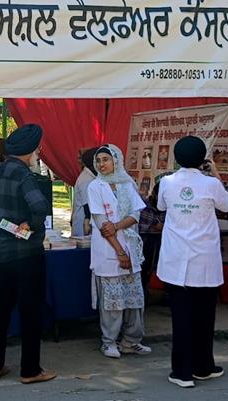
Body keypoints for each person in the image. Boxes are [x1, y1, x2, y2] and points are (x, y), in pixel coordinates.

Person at [0, 124, 56, 385]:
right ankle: (30, 370)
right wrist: (29, 226)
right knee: (30, 311)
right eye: (37, 150)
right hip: (28, 255)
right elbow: (40, 207)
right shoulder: (24, 175)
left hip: (3, 254)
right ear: (31, 151)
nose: (38, 154)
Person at [157, 136, 228, 389]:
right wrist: (215, 173)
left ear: (176, 158)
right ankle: (203, 366)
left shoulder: (166, 182)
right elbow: (226, 205)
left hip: (176, 259)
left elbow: (161, 206)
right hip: (204, 260)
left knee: (181, 317)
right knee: (204, 315)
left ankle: (182, 372)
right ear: (203, 159)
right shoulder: (211, 184)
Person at [87, 144, 151, 358]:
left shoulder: (126, 183)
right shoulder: (95, 186)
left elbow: (136, 214)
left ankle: (131, 341)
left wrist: (117, 226)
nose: (101, 164)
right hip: (109, 249)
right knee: (112, 301)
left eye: (105, 159)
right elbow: (101, 223)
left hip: (130, 245)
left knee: (134, 299)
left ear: (116, 161)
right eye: (98, 161)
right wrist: (120, 252)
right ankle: (109, 342)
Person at [72, 147, 98, 237]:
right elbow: (87, 204)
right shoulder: (87, 179)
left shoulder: (89, 176)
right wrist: (87, 221)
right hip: (83, 224)